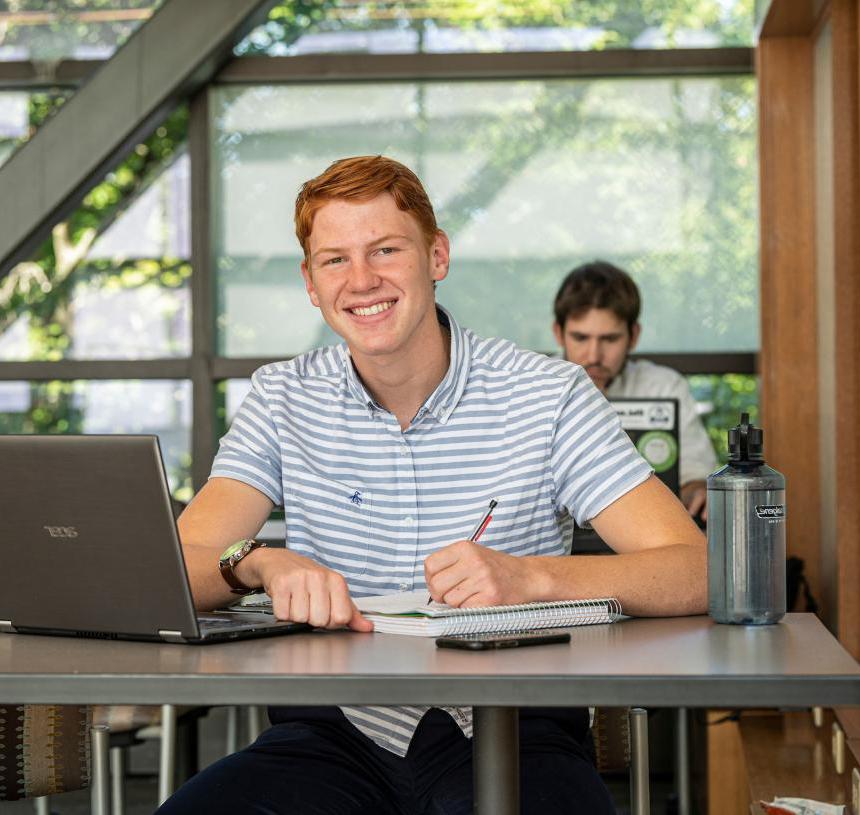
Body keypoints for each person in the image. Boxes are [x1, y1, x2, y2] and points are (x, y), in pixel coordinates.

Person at [162, 156, 705, 815]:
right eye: (334, 259)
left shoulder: (548, 394)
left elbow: (693, 569)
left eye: (385, 250)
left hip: (512, 730)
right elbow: (174, 571)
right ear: (310, 282)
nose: (361, 280)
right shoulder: (282, 397)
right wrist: (258, 564)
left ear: (436, 256)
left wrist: (531, 579)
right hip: (331, 736)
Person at [552, 261, 720, 519]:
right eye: (581, 338)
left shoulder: (663, 386)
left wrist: (699, 491)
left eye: (609, 339)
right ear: (559, 334)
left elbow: (693, 476)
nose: (594, 355)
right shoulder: (534, 386)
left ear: (633, 336)